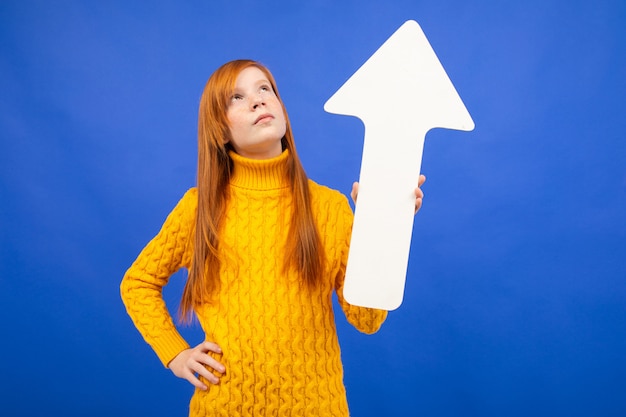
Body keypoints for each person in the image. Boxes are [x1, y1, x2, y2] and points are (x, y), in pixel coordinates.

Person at [120, 59, 426, 416]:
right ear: (219, 130)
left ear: (281, 108)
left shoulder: (329, 207)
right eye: (237, 97)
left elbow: (367, 320)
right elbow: (138, 282)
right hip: (225, 407)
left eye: (264, 88)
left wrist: (381, 227)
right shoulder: (198, 209)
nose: (257, 100)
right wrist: (175, 353)